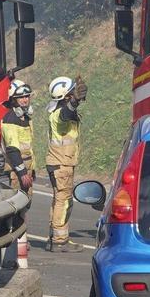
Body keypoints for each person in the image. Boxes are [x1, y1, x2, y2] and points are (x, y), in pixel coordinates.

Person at [45, 75, 86, 253]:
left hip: (60, 163)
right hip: (61, 164)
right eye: (71, 93)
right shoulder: (58, 114)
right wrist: (75, 101)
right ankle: (60, 241)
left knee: (59, 200)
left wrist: (76, 101)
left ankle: (54, 237)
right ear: (66, 96)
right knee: (64, 201)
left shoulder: (56, 111)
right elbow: (65, 114)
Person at [1, 80, 36, 192]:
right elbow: (12, 149)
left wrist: (31, 170)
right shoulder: (10, 119)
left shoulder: (25, 117)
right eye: (21, 97)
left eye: (27, 96)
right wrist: (22, 172)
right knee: (18, 200)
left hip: (27, 168)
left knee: (27, 200)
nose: (25, 100)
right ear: (13, 99)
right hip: (18, 172)